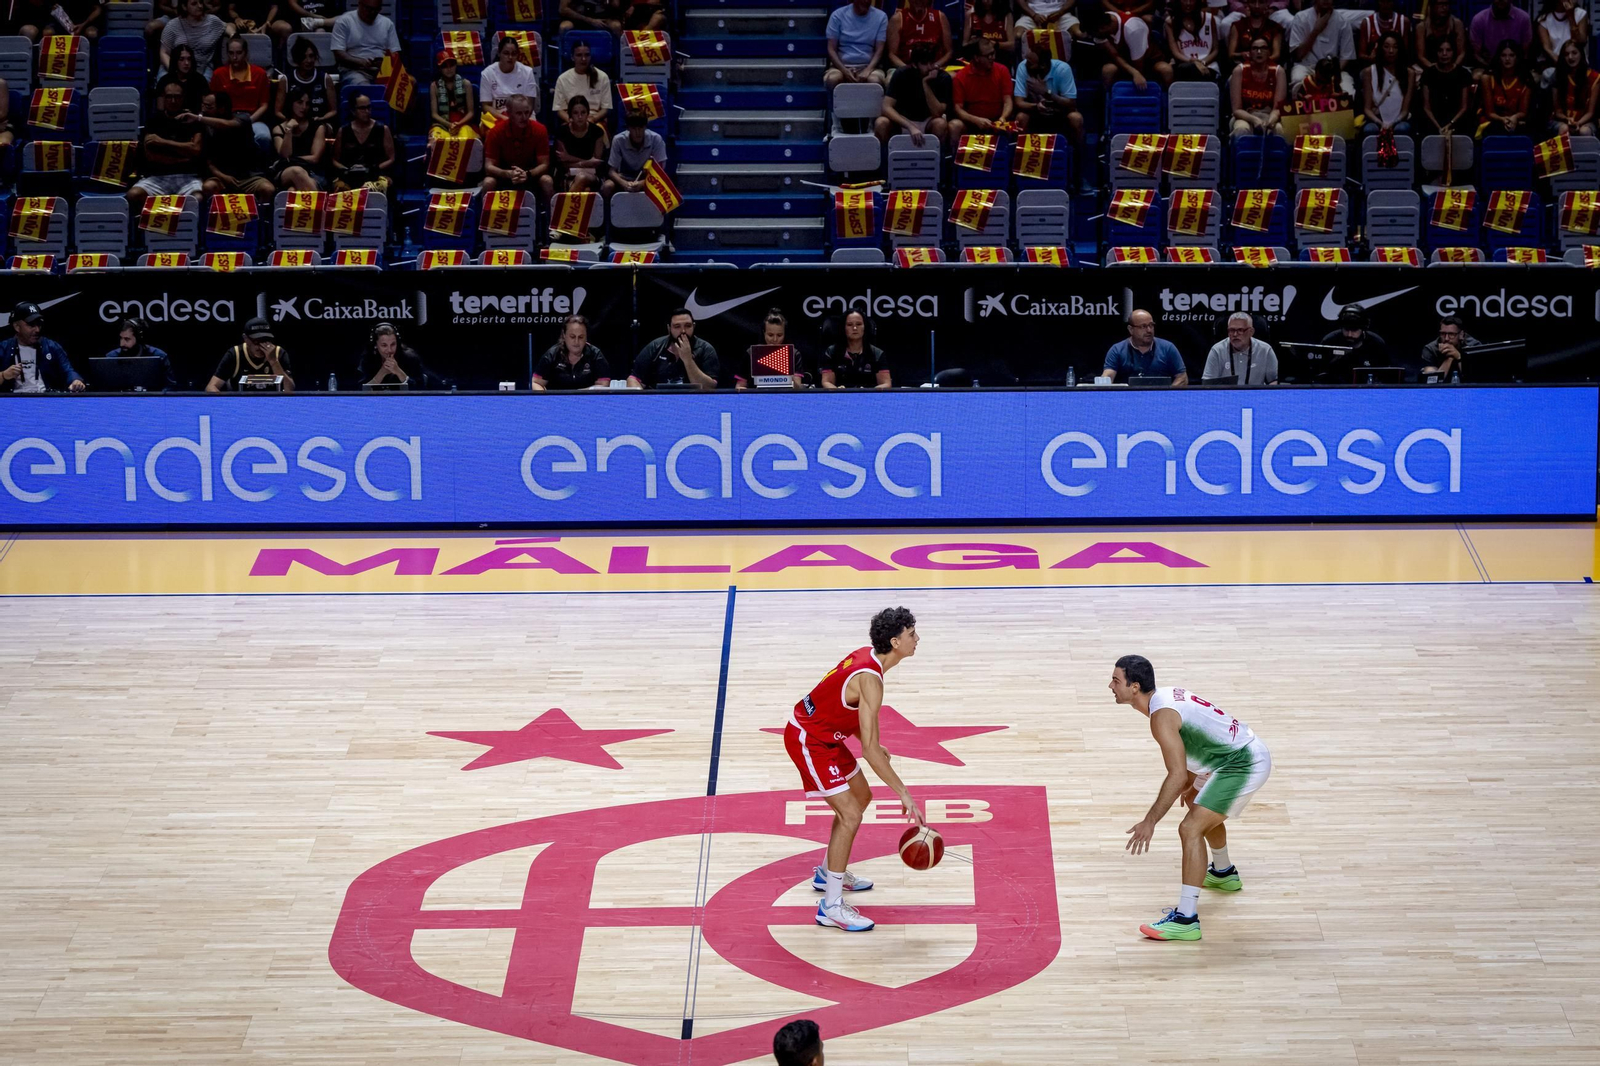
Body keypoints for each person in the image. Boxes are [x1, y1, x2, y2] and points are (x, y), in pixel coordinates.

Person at [784, 607, 926, 934]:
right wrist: (904, 793)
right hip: (809, 740)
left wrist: (872, 743)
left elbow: (842, 707)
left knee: (861, 797)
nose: (917, 639)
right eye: (911, 635)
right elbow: (870, 753)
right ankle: (831, 907)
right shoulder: (871, 680)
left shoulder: (866, 657)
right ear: (895, 642)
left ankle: (826, 873)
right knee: (850, 814)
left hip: (826, 736)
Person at [1112, 654, 1271, 943]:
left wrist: (1150, 821)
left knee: (1190, 828)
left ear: (1135, 687)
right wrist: (1192, 782)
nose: (1110, 686)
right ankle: (1223, 873)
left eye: (1116, 680)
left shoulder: (1161, 717)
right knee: (1198, 804)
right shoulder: (1165, 697)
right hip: (1228, 756)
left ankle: (1186, 920)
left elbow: (1175, 776)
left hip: (1242, 763)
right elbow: (1189, 756)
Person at [1013, 38, 1089, 188]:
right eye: (1027, 60)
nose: (1027, 64)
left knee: (1076, 118)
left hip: (1059, 114)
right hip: (1036, 113)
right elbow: (1019, 102)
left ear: (1042, 65)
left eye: (1031, 63)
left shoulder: (1062, 69)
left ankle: (1079, 174)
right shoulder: (1023, 67)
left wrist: (1047, 93)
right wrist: (1036, 106)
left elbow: (1071, 103)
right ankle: (1019, 176)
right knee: (1020, 118)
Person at [128, 80, 205, 214]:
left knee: (197, 198)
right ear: (163, 98)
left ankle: (188, 231)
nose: (173, 100)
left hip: (187, 177)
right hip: (158, 177)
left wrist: (162, 142)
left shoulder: (192, 120)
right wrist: (183, 156)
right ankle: (151, 230)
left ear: (183, 98)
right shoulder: (153, 121)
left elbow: (196, 149)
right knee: (133, 194)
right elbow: (151, 156)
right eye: (169, 97)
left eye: (177, 97)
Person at [194, 89, 277, 197]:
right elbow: (208, 161)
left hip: (248, 177)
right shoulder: (206, 128)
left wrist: (198, 118)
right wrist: (223, 176)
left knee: (268, 189)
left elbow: (228, 125)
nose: (204, 110)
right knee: (208, 187)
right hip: (221, 177)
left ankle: (258, 213)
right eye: (203, 105)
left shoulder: (242, 119)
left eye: (209, 107)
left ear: (221, 109)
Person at [877, 42, 953, 147]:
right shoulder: (901, 74)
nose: (930, 67)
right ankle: (885, 161)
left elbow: (937, 113)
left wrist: (925, 83)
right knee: (881, 123)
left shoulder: (943, 78)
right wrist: (909, 126)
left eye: (932, 62)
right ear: (914, 64)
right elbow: (886, 107)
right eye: (925, 63)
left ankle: (938, 162)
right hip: (904, 120)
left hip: (928, 120)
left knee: (940, 124)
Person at [1, 302, 85, 394]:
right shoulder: (4, 349)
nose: (37, 330)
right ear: (17, 327)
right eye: (31, 325)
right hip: (13, 402)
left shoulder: (51, 346)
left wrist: (75, 380)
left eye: (39, 324)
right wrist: (3, 375)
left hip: (45, 401)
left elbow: (68, 370)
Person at [210, 36, 274, 154]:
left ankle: (262, 168)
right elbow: (214, 103)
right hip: (228, 119)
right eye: (231, 53)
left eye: (239, 53)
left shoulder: (259, 73)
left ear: (245, 53)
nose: (234, 57)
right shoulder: (219, 74)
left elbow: (264, 104)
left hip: (252, 119)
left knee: (264, 137)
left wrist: (248, 121)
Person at [630, 308, 720, 390]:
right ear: (669, 329)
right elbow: (633, 379)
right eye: (677, 326)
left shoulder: (706, 349)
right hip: (659, 402)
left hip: (694, 403)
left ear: (694, 326)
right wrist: (642, 400)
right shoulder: (655, 347)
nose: (683, 331)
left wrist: (688, 360)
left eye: (688, 326)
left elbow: (709, 387)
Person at [481, 94, 550, 194]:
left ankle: (550, 210)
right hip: (504, 177)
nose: (524, 117)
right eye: (519, 113)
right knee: (488, 182)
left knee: (547, 180)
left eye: (527, 112)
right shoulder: (495, 132)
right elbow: (488, 166)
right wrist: (507, 173)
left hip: (530, 176)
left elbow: (544, 164)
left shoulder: (540, 130)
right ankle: (485, 210)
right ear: (509, 114)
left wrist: (528, 174)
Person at [950, 38, 1017, 139]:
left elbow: (1007, 101)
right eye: (988, 55)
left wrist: (1002, 118)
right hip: (972, 122)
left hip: (998, 121)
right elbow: (958, 109)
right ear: (976, 57)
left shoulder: (1002, 70)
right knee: (954, 125)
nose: (993, 58)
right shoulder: (961, 77)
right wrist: (976, 120)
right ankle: (955, 154)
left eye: (993, 53)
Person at [207, 317, 294, 392]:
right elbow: (211, 387)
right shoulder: (235, 354)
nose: (260, 346)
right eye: (256, 342)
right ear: (245, 338)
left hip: (272, 404)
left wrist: (273, 361)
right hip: (241, 404)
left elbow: (289, 390)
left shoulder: (278, 353)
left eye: (264, 340)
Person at [1103, 310, 1189, 385]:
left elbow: (1182, 378)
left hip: (1160, 399)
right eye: (1143, 326)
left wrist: (1167, 396)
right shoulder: (1117, 350)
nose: (1149, 330)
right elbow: (1107, 377)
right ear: (1131, 329)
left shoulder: (1168, 348)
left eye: (1151, 325)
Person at [331, 94, 396, 193]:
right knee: (339, 187)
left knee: (375, 186)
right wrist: (346, 170)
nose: (367, 111)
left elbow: (391, 158)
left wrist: (375, 169)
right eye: (362, 108)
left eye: (369, 107)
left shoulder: (382, 129)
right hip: (349, 176)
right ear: (353, 111)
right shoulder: (343, 131)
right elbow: (335, 159)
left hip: (376, 175)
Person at [1288, 0, 1355, 96]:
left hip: (1334, 69)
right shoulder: (1301, 17)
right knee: (1298, 81)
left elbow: (1346, 56)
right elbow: (1298, 55)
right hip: (1306, 66)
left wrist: (1332, 74)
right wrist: (1316, 30)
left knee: (1348, 92)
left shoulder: (1343, 21)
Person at [547, 95, 607, 199]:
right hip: (566, 174)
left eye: (583, 113)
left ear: (588, 114)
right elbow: (564, 164)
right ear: (570, 115)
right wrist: (586, 162)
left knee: (582, 177)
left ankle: (563, 210)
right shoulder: (562, 132)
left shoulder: (597, 132)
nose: (580, 117)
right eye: (575, 113)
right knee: (586, 190)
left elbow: (596, 164)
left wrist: (571, 159)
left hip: (592, 175)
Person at [331, 0, 400, 86]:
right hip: (354, 70)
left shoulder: (387, 23)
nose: (372, 13)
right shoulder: (344, 21)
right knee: (364, 86)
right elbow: (338, 53)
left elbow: (395, 52)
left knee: (411, 82)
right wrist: (359, 61)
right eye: (368, 9)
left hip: (382, 70)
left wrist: (385, 62)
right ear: (359, 4)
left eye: (376, 10)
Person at [603, 108, 669, 198]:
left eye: (640, 128)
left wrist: (642, 183)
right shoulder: (618, 140)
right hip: (625, 177)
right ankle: (609, 212)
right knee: (607, 186)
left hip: (649, 178)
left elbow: (661, 172)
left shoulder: (656, 139)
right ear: (628, 128)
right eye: (634, 128)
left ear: (645, 127)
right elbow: (611, 171)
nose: (638, 132)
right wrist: (624, 184)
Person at [533, 315, 612, 390]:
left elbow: (603, 384)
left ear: (586, 337)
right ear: (564, 335)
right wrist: (545, 399)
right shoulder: (552, 354)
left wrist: (578, 394)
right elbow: (536, 383)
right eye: (572, 337)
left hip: (587, 401)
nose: (576, 342)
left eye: (581, 337)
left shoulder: (595, 355)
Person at [1319, 304, 1393, 382]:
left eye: (1354, 330)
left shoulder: (1376, 344)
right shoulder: (1329, 342)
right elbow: (1320, 373)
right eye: (1346, 329)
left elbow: (1386, 375)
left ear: (1363, 328)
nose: (1349, 334)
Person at [1230, 35, 1287, 136]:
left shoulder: (1278, 71)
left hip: (1269, 115)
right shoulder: (1239, 70)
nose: (1259, 52)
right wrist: (1255, 120)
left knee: (1279, 130)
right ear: (1250, 53)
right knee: (1241, 130)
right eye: (1255, 48)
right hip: (1245, 116)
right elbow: (1237, 110)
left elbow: (1277, 108)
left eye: (1263, 48)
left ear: (1269, 52)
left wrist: (1270, 122)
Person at [1361, 31, 1414, 139]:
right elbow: (1367, 108)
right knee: (1369, 129)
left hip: (1399, 119)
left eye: (1395, 47)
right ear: (1381, 49)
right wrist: (1381, 123)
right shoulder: (1369, 72)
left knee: (1402, 129)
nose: (1391, 51)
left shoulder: (1409, 73)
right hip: (1377, 119)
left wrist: (1393, 123)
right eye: (1386, 47)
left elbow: (1405, 110)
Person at [825, 0, 890, 88]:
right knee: (832, 79)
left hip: (869, 66)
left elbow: (879, 50)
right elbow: (831, 49)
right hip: (841, 66)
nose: (866, 1)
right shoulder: (837, 15)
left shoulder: (881, 17)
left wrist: (868, 70)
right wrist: (844, 71)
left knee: (875, 80)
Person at [736, 309, 805, 390]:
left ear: (785, 334)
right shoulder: (751, 353)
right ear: (764, 332)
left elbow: (797, 388)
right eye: (770, 335)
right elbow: (740, 386)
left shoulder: (794, 354)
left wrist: (790, 377)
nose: (775, 339)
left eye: (779, 335)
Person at [819, 310, 891, 389]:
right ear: (844, 328)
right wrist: (838, 392)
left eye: (859, 324)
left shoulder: (877, 354)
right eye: (850, 325)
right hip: (839, 398)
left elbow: (886, 384)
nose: (855, 328)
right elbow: (826, 382)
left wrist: (869, 392)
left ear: (865, 327)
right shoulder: (832, 352)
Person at [276, 38, 337, 129]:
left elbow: (333, 111)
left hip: (320, 124)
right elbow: (278, 112)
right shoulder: (286, 80)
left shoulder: (325, 78)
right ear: (297, 59)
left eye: (311, 56)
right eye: (304, 57)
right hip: (293, 124)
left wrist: (321, 119)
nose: (308, 60)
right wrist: (291, 122)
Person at [103, 318, 178, 392]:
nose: (122, 344)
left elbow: (170, 386)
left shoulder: (159, 356)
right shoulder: (111, 358)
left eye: (127, 339)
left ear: (138, 338)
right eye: (121, 338)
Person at [1202, 313, 1278, 384]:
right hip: (1226, 396)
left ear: (1251, 332)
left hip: (1255, 397)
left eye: (1240, 330)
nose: (1235, 334)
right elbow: (1208, 384)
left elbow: (1274, 380)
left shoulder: (1265, 350)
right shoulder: (1217, 350)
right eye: (1231, 330)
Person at [1420, 36, 1474, 135]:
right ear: (1436, 52)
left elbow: (1464, 107)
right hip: (1433, 122)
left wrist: (1450, 124)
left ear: (1453, 52)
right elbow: (1426, 107)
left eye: (1448, 50)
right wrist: (1438, 127)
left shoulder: (1463, 74)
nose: (1444, 54)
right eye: (1440, 50)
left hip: (1457, 121)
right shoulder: (1428, 74)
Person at [553, 41, 613, 128]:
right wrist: (571, 120)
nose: (583, 59)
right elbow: (559, 109)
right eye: (579, 55)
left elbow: (606, 108)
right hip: (571, 120)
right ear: (572, 57)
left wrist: (593, 119)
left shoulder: (602, 77)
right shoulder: (562, 79)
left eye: (587, 55)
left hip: (594, 121)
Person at [360, 323, 438, 389]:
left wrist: (398, 371)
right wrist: (382, 373)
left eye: (393, 344)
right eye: (384, 345)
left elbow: (419, 389)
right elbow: (359, 392)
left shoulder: (410, 358)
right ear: (375, 345)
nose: (389, 350)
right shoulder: (367, 359)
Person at [161, 0, 229, 75]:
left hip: (203, 68)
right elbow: (164, 52)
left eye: (200, 2)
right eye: (194, 4)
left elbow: (227, 26)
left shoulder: (212, 21)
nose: (200, 6)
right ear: (184, 7)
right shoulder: (173, 25)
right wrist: (174, 71)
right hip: (175, 68)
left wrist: (233, 34)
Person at [1547, 38, 1598, 136]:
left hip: (1586, 121)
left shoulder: (1594, 77)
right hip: (1562, 120)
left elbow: (1590, 112)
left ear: (1581, 54)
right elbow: (1558, 111)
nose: (1570, 57)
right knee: (1564, 129)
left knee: (1584, 131)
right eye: (1566, 54)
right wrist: (1567, 120)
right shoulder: (1557, 76)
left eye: (1574, 53)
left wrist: (1578, 123)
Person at [481, 35, 541, 118]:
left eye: (513, 54)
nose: (510, 57)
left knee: (541, 129)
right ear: (499, 53)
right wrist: (505, 119)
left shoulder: (527, 72)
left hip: (523, 117)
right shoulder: (487, 73)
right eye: (506, 53)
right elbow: (486, 106)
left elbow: (530, 106)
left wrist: (517, 120)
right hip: (497, 117)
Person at [1098, 8, 1159, 89]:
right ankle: (1108, 98)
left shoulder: (1134, 28)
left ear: (1104, 28)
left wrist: (1137, 74)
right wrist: (1134, 73)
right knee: (1108, 70)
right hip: (1123, 62)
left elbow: (1138, 63)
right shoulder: (1098, 23)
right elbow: (1114, 55)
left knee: (1165, 69)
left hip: (1147, 60)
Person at [1480, 40, 1531, 136]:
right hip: (1493, 121)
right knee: (1496, 129)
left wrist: (1515, 117)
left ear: (1517, 58)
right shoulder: (1487, 78)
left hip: (1515, 120)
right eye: (1503, 55)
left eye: (1512, 55)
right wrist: (1503, 119)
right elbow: (1489, 112)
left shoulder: (1525, 80)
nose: (1507, 59)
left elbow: (1523, 112)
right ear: (1499, 58)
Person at [1471, 0, 1532, 74]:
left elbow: (1526, 52)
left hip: (1516, 67)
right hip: (1487, 66)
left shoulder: (1523, 18)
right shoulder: (1479, 19)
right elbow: (1476, 54)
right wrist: (1491, 68)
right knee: (1477, 76)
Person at [1166, 0, 1222, 82]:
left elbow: (1215, 50)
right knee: (1187, 69)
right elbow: (1175, 53)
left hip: (1208, 65)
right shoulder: (1171, 22)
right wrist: (1193, 62)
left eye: (1192, 0)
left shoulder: (1209, 19)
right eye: (1185, 0)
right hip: (1184, 65)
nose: (1188, 3)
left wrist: (1202, 62)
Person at [889, 0, 953, 70]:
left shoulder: (940, 16)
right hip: (905, 68)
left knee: (952, 76)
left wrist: (935, 66)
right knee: (890, 78)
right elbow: (892, 54)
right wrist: (907, 70)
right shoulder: (897, 19)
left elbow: (949, 52)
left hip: (935, 68)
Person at [1537, 0, 1589, 85]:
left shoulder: (1580, 14)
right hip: (1557, 65)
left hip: (1579, 64)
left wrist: (1571, 16)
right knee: (1549, 75)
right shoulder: (1544, 19)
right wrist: (1563, 62)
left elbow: (1581, 41)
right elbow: (1547, 48)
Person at [429, 51, 477, 139]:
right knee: (435, 138)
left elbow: (471, 112)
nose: (449, 69)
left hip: (463, 123)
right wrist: (449, 125)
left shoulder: (466, 84)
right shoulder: (434, 86)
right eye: (445, 66)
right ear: (440, 69)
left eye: (451, 65)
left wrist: (459, 124)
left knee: (466, 137)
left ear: (455, 66)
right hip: (443, 124)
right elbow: (434, 114)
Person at [1416, 0, 1468, 77]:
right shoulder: (1422, 27)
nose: (1444, 7)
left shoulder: (1457, 24)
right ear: (1432, 6)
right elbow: (1421, 57)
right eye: (1441, 4)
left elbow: (1461, 53)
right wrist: (1437, 70)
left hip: (1454, 67)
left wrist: (1452, 69)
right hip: (1429, 67)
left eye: (1446, 4)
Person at [1419, 314, 1476, 381]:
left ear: (1461, 334)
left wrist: (1459, 357)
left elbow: (1475, 379)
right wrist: (1449, 358)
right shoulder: (1431, 349)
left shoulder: (1474, 346)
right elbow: (1432, 382)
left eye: (1451, 334)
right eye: (1443, 334)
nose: (1446, 338)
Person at [1227, 0, 1284, 65]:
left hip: (1267, 67)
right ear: (1247, 4)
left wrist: (1260, 61)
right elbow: (1231, 54)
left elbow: (1276, 54)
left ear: (1267, 4)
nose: (1257, 6)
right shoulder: (1237, 26)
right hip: (1243, 66)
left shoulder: (1275, 27)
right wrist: (1241, 54)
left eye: (1261, 2)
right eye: (1253, 2)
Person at [1356, 0, 1407, 67]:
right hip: (1373, 66)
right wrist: (1370, 58)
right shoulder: (1367, 23)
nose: (1385, 4)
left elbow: (1406, 52)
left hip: (1397, 67)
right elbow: (1361, 54)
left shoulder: (1404, 21)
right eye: (1382, 1)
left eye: (1389, 1)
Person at [161, 45, 211, 113]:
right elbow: (160, 109)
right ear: (175, 60)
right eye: (181, 59)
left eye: (189, 59)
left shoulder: (200, 80)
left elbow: (205, 108)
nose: (186, 63)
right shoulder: (165, 80)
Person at [964, 0, 1015, 65]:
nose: (985, 1)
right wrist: (975, 44)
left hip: (1000, 58)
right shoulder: (970, 14)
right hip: (979, 61)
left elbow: (1012, 45)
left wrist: (995, 44)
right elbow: (965, 44)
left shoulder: (1006, 15)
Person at [559, 0, 624, 37]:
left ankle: (618, 58)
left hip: (602, 18)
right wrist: (589, 20)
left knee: (616, 26)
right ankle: (563, 57)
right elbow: (562, 9)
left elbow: (616, 5)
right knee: (564, 27)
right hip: (578, 18)